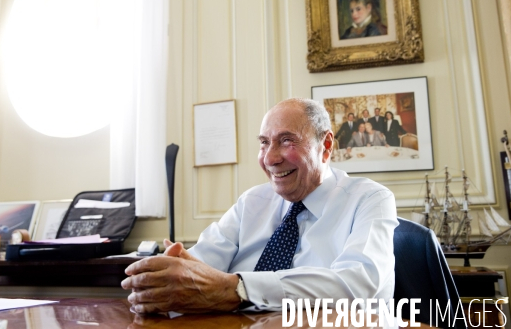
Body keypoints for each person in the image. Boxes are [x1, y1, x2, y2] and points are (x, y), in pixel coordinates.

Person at [121, 98, 398, 314]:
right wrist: (171, 276)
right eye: (264, 143)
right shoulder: (252, 202)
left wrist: (240, 289)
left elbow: (358, 285)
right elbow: (202, 267)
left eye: (287, 140)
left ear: (325, 146)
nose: (270, 158)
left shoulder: (371, 200)